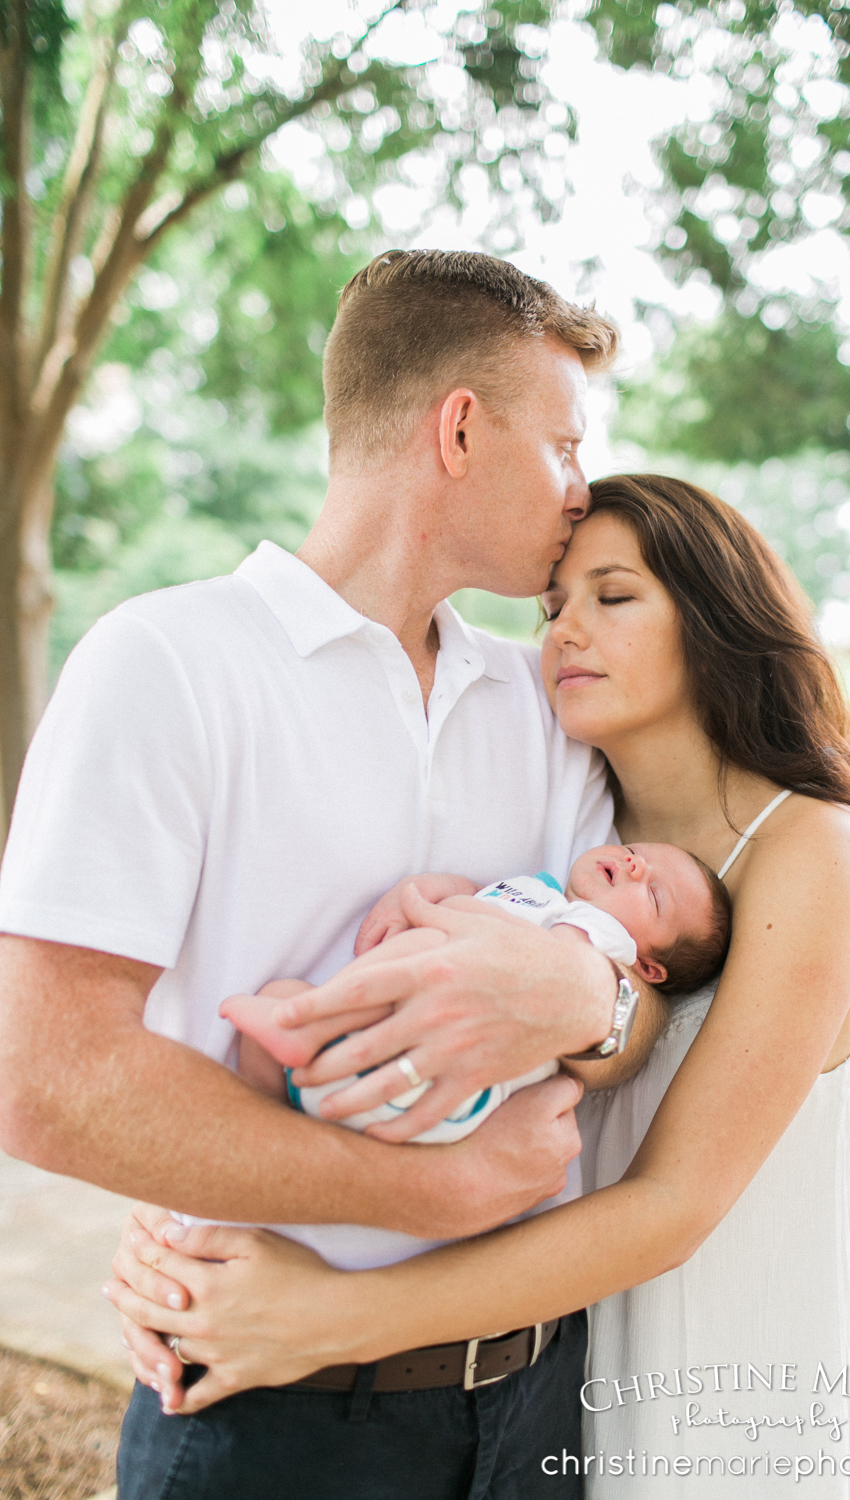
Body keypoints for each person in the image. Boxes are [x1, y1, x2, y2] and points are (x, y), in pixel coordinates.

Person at [0, 251, 676, 1500]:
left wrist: (592, 1000)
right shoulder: (163, 663)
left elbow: (621, 1014)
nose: (582, 492)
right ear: (459, 428)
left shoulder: (536, 706)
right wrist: (444, 1189)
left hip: (539, 1405)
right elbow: (48, 1082)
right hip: (272, 1421)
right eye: (566, 448)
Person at [107, 475, 850, 1499]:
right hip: (578, 1375)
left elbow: (674, 1205)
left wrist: (324, 1319)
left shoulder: (812, 847)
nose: (565, 631)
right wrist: (180, 1218)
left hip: (726, 1362)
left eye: (613, 597)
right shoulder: (590, 843)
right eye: (551, 607)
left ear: (720, 620)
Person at [224, 839, 731, 1157]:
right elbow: (471, 889)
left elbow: (553, 970)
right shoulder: (539, 891)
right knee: (279, 998)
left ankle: (303, 1031)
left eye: (655, 895)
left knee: (435, 947)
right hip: (386, 1045)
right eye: (636, 852)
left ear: (647, 967)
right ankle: (281, 1077)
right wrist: (423, 889)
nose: (634, 865)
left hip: (448, 1075)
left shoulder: (600, 940)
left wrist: (443, 912)